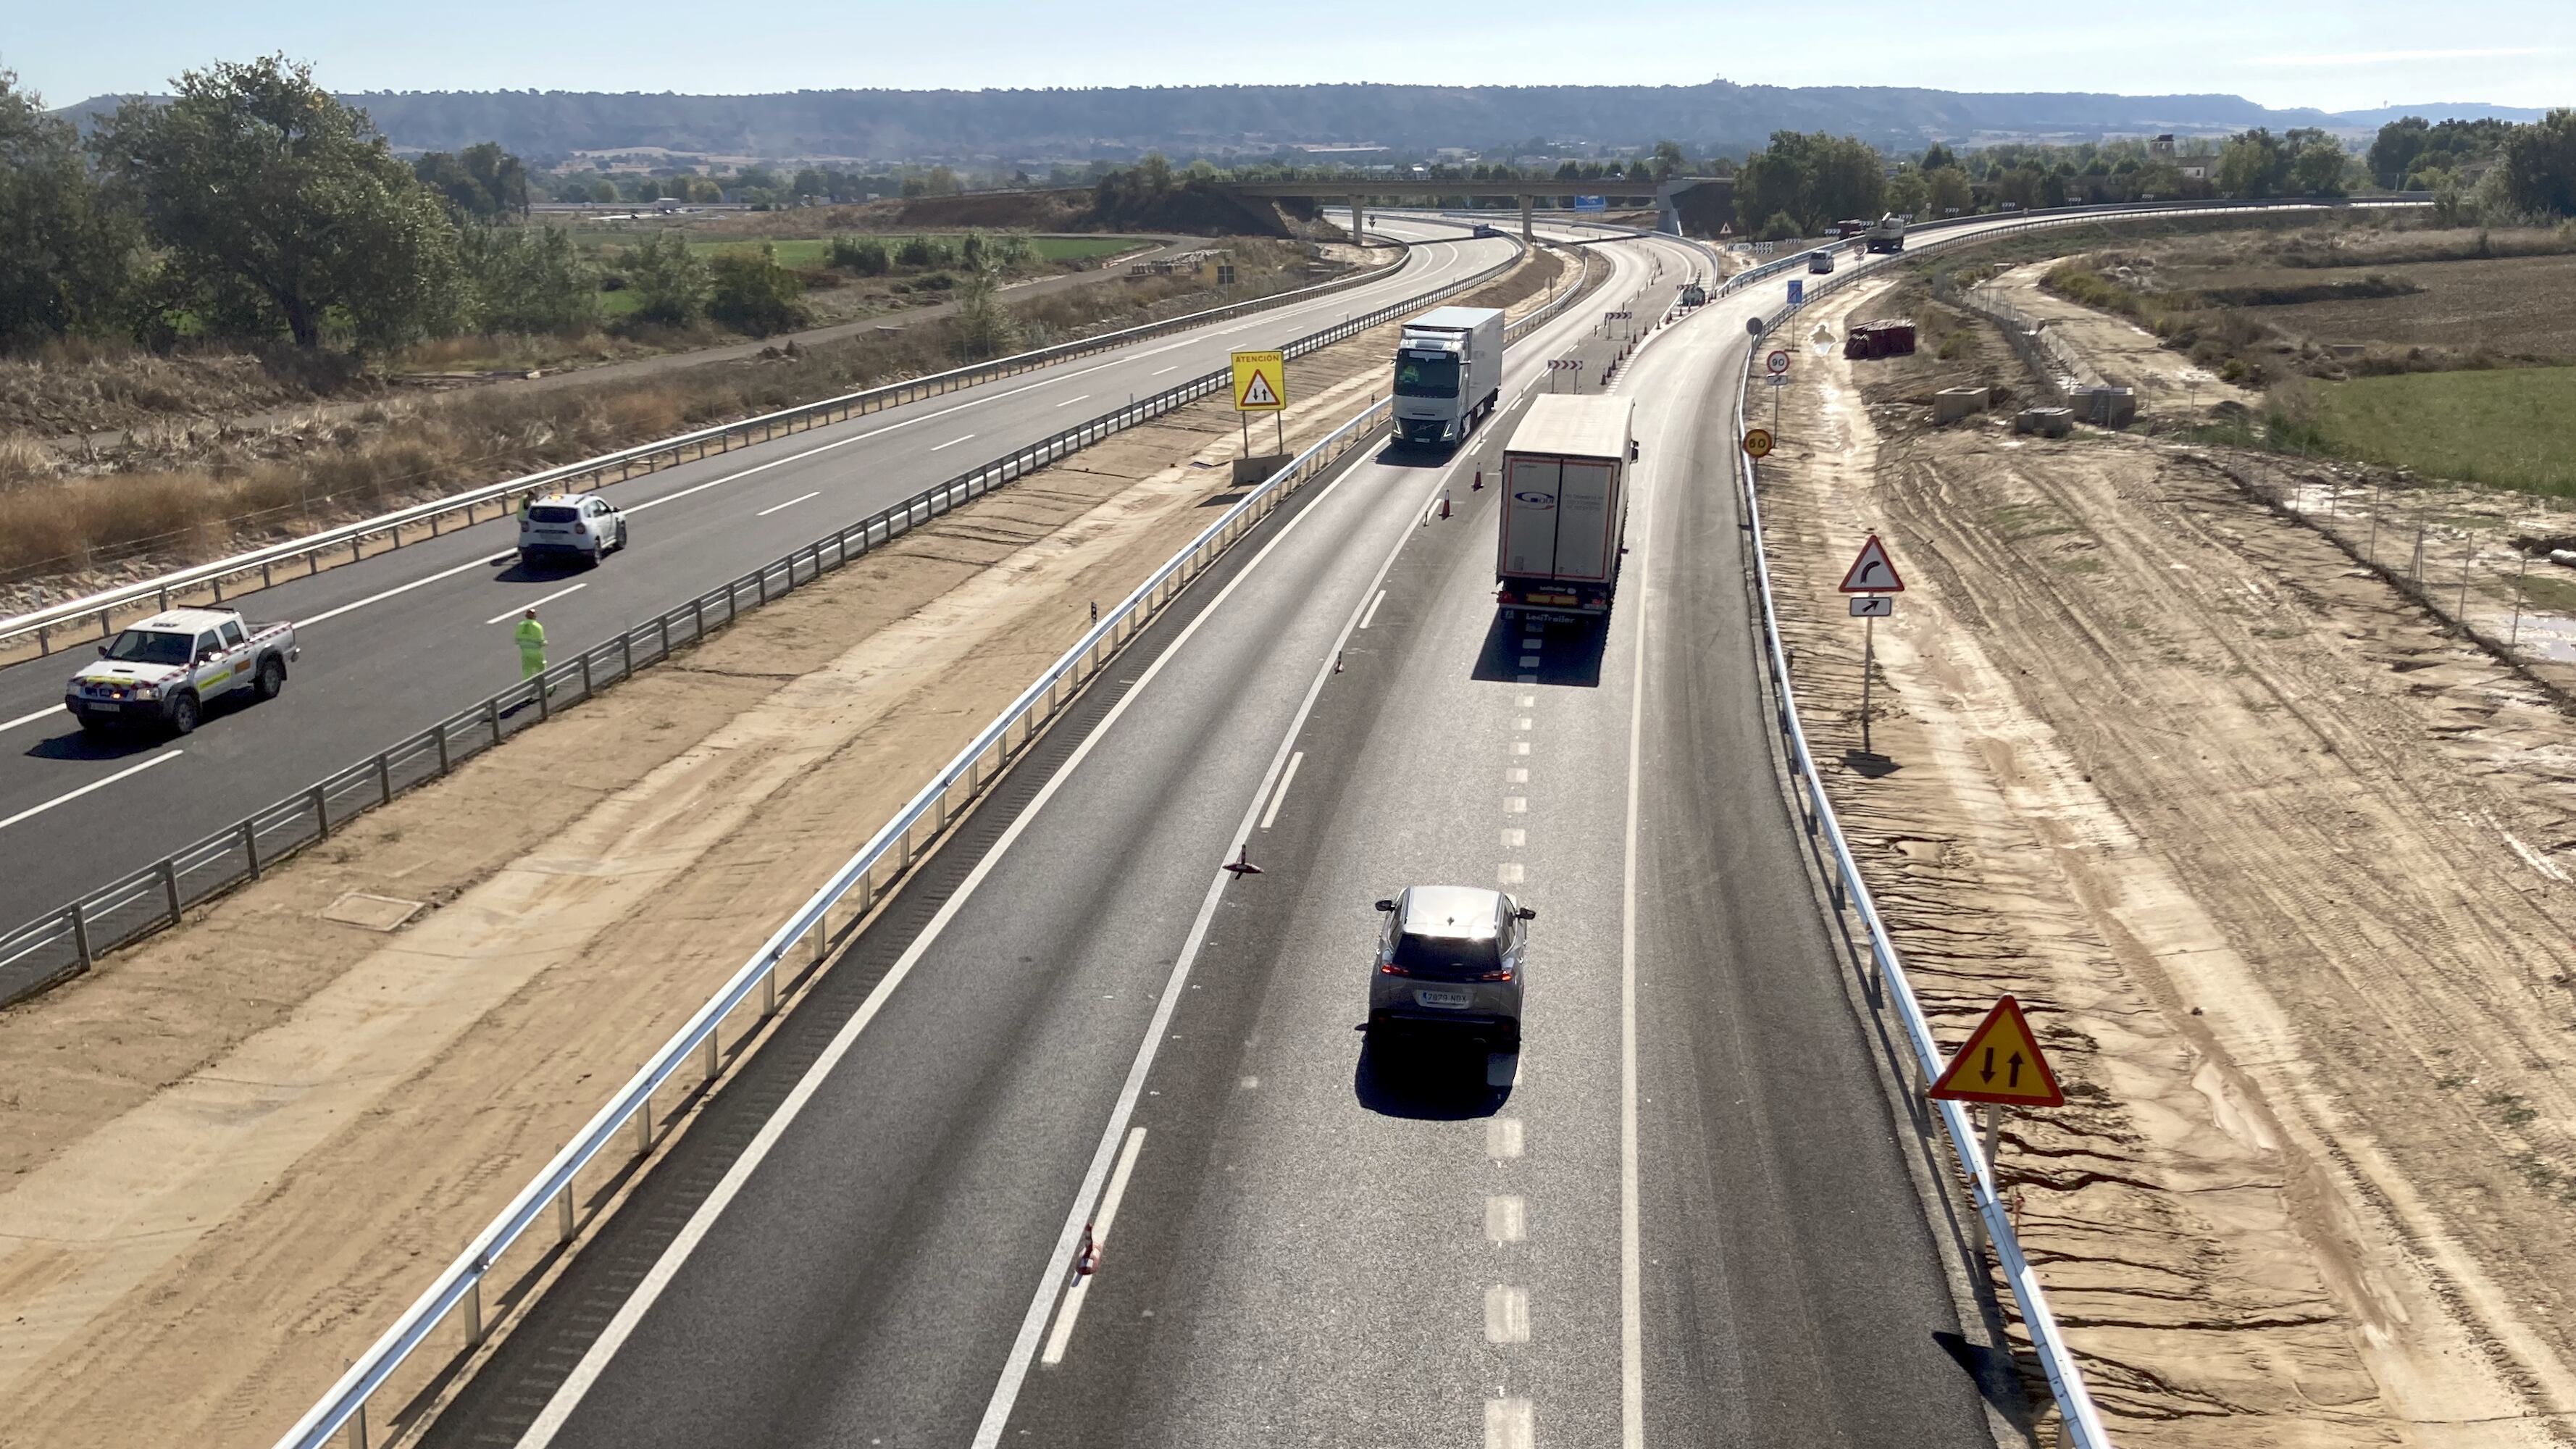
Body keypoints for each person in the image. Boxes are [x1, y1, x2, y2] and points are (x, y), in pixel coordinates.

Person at [515, 608, 548, 690]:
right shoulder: (537, 626)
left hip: (525, 653)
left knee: (527, 672)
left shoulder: (520, 626)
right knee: (541, 670)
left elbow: (517, 640)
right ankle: (547, 689)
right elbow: (541, 641)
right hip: (536, 652)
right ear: (535, 617)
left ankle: (526, 693)